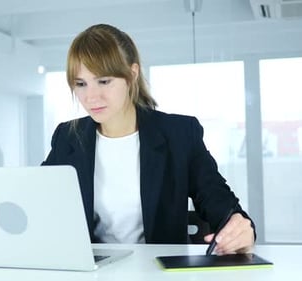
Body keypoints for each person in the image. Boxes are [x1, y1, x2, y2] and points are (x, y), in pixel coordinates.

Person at [42, 23, 255, 255]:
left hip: (158, 270)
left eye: (104, 81)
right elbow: (38, 202)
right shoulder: (67, 137)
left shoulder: (180, 134)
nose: (91, 96)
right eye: (81, 84)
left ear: (132, 74)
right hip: (93, 271)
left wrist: (241, 229)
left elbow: (218, 201)